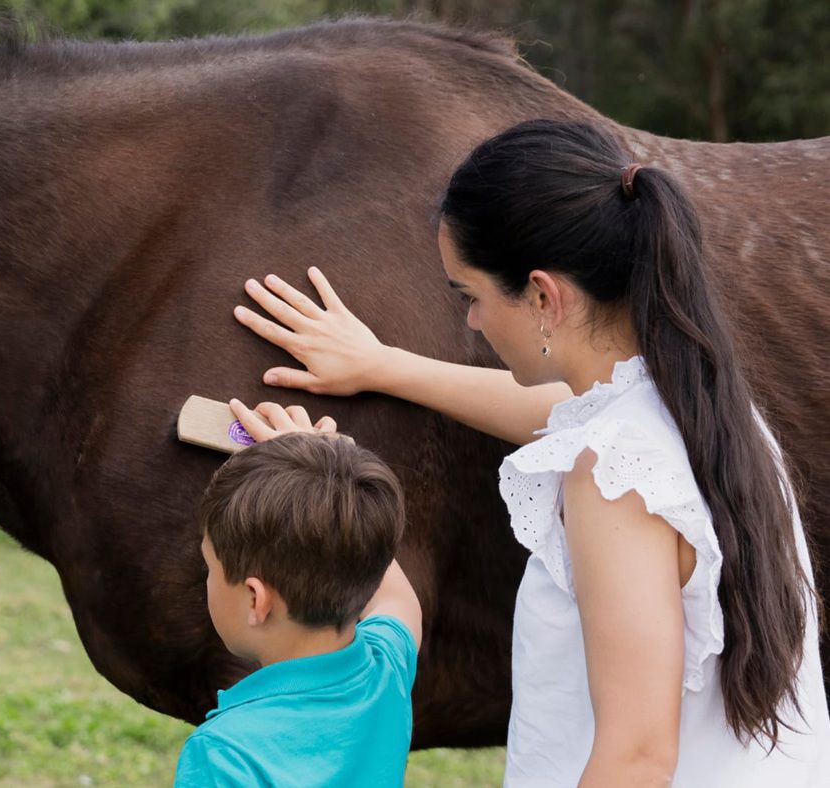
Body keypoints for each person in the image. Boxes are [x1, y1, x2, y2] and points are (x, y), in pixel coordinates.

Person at [228, 119, 830, 786]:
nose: (472, 322)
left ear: (543, 296)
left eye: (471, 296)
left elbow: (636, 758)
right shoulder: (702, 409)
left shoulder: (612, 480)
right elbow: (559, 415)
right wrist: (381, 366)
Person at [175, 431, 422, 787]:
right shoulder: (385, 671)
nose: (208, 579)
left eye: (209, 567)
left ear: (255, 599)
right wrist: (341, 492)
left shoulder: (224, 751)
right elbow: (399, 600)